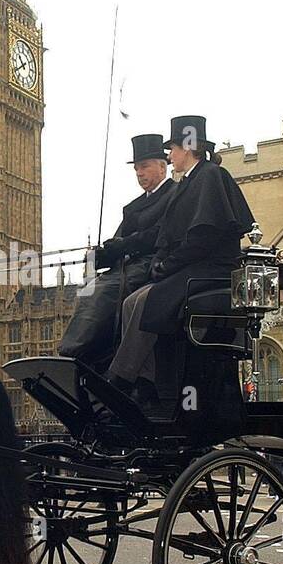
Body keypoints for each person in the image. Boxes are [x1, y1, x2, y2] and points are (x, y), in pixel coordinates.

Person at [107, 115, 255, 404]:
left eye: (172, 149)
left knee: (149, 300)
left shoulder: (211, 175)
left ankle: (122, 375)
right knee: (131, 301)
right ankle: (145, 379)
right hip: (191, 265)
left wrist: (168, 265)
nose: (170, 155)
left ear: (187, 148)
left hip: (211, 268)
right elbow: (169, 233)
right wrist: (161, 262)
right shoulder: (189, 182)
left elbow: (203, 237)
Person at [57, 134, 174, 367]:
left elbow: (160, 234)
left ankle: (73, 354)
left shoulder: (174, 195)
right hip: (126, 264)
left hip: (152, 263)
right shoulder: (133, 207)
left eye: (145, 167)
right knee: (91, 289)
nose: (140, 173)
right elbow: (119, 239)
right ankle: (88, 355)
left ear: (162, 167)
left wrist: (125, 245)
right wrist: (103, 253)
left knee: (104, 291)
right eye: (137, 169)